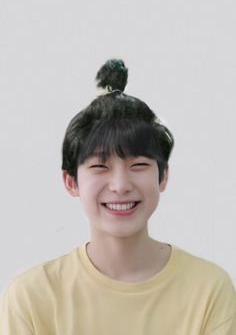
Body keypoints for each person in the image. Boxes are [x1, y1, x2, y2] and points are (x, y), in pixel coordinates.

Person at [0, 59, 235, 334]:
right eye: (100, 166)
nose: (121, 185)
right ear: (71, 181)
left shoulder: (208, 289)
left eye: (138, 166)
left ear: (163, 176)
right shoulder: (32, 297)